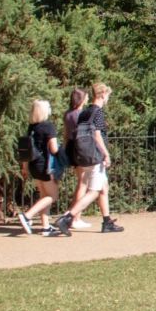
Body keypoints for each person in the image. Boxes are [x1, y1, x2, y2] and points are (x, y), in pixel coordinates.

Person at [54, 83, 124, 235]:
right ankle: (67, 218)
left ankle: (107, 222)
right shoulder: (97, 112)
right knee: (93, 191)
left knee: (103, 187)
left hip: (83, 154)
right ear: (103, 94)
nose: (108, 99)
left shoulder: (85, 112)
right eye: (108, 96)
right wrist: (106, 153)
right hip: (95, 155)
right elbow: (97, 135)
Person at [17, 100, 62, 236]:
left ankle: (45, 227)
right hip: (45, 165)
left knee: (44, 196)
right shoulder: (48, 127)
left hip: (33, 165)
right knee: (53, 196)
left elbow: (28, 148)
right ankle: (27, 216)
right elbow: (54, 149)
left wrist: (24, 167)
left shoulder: (32, 127)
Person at [63, 88, 96, 230]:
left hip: (71, 147)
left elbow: (66, 134)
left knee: (81, 183)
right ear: (82, 99)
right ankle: (75, 217)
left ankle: (71, 214)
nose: (87, 99)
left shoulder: (68, 114)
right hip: (80, 148)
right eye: (86, 97)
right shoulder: (80, 114)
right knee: (83, 184)